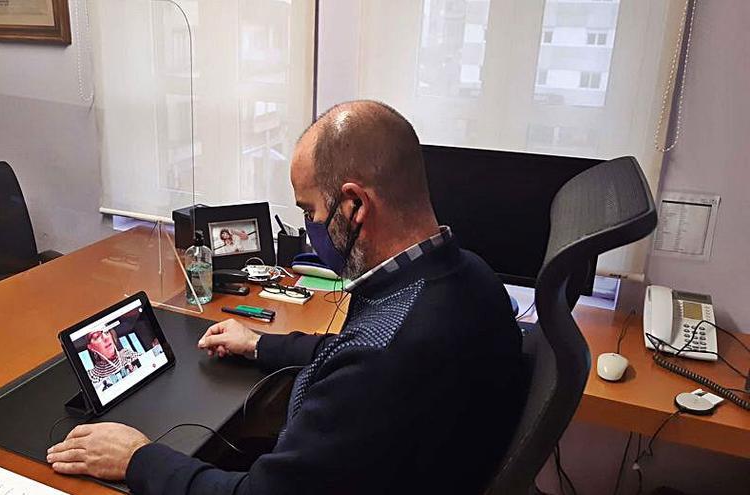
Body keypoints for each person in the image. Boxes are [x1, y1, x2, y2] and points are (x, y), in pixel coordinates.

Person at [47, 100, 524, 494]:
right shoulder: (470, 277)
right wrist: (261, 344)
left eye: (310, 211)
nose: (309, 228)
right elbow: (351, 352)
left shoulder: (384, 357)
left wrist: (138, 458)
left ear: (355, 205)